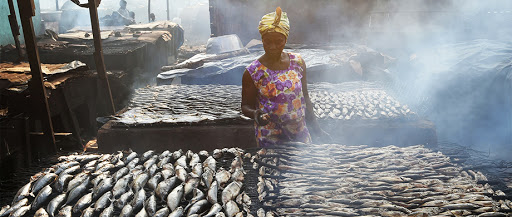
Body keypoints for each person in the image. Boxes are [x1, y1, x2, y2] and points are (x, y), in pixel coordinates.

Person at [241, 7, 330, 147]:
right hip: (270, 137)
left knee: (303, 167)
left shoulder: (297, 62)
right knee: (272, 167)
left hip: (299, 133)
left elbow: (305, 98)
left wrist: (317, 130)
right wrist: (256, 114)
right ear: (262, 40)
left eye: (279, 41)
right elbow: (245, 106)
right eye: (267, 41)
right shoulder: (253, 72)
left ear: (286, 39)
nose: (273, 46)